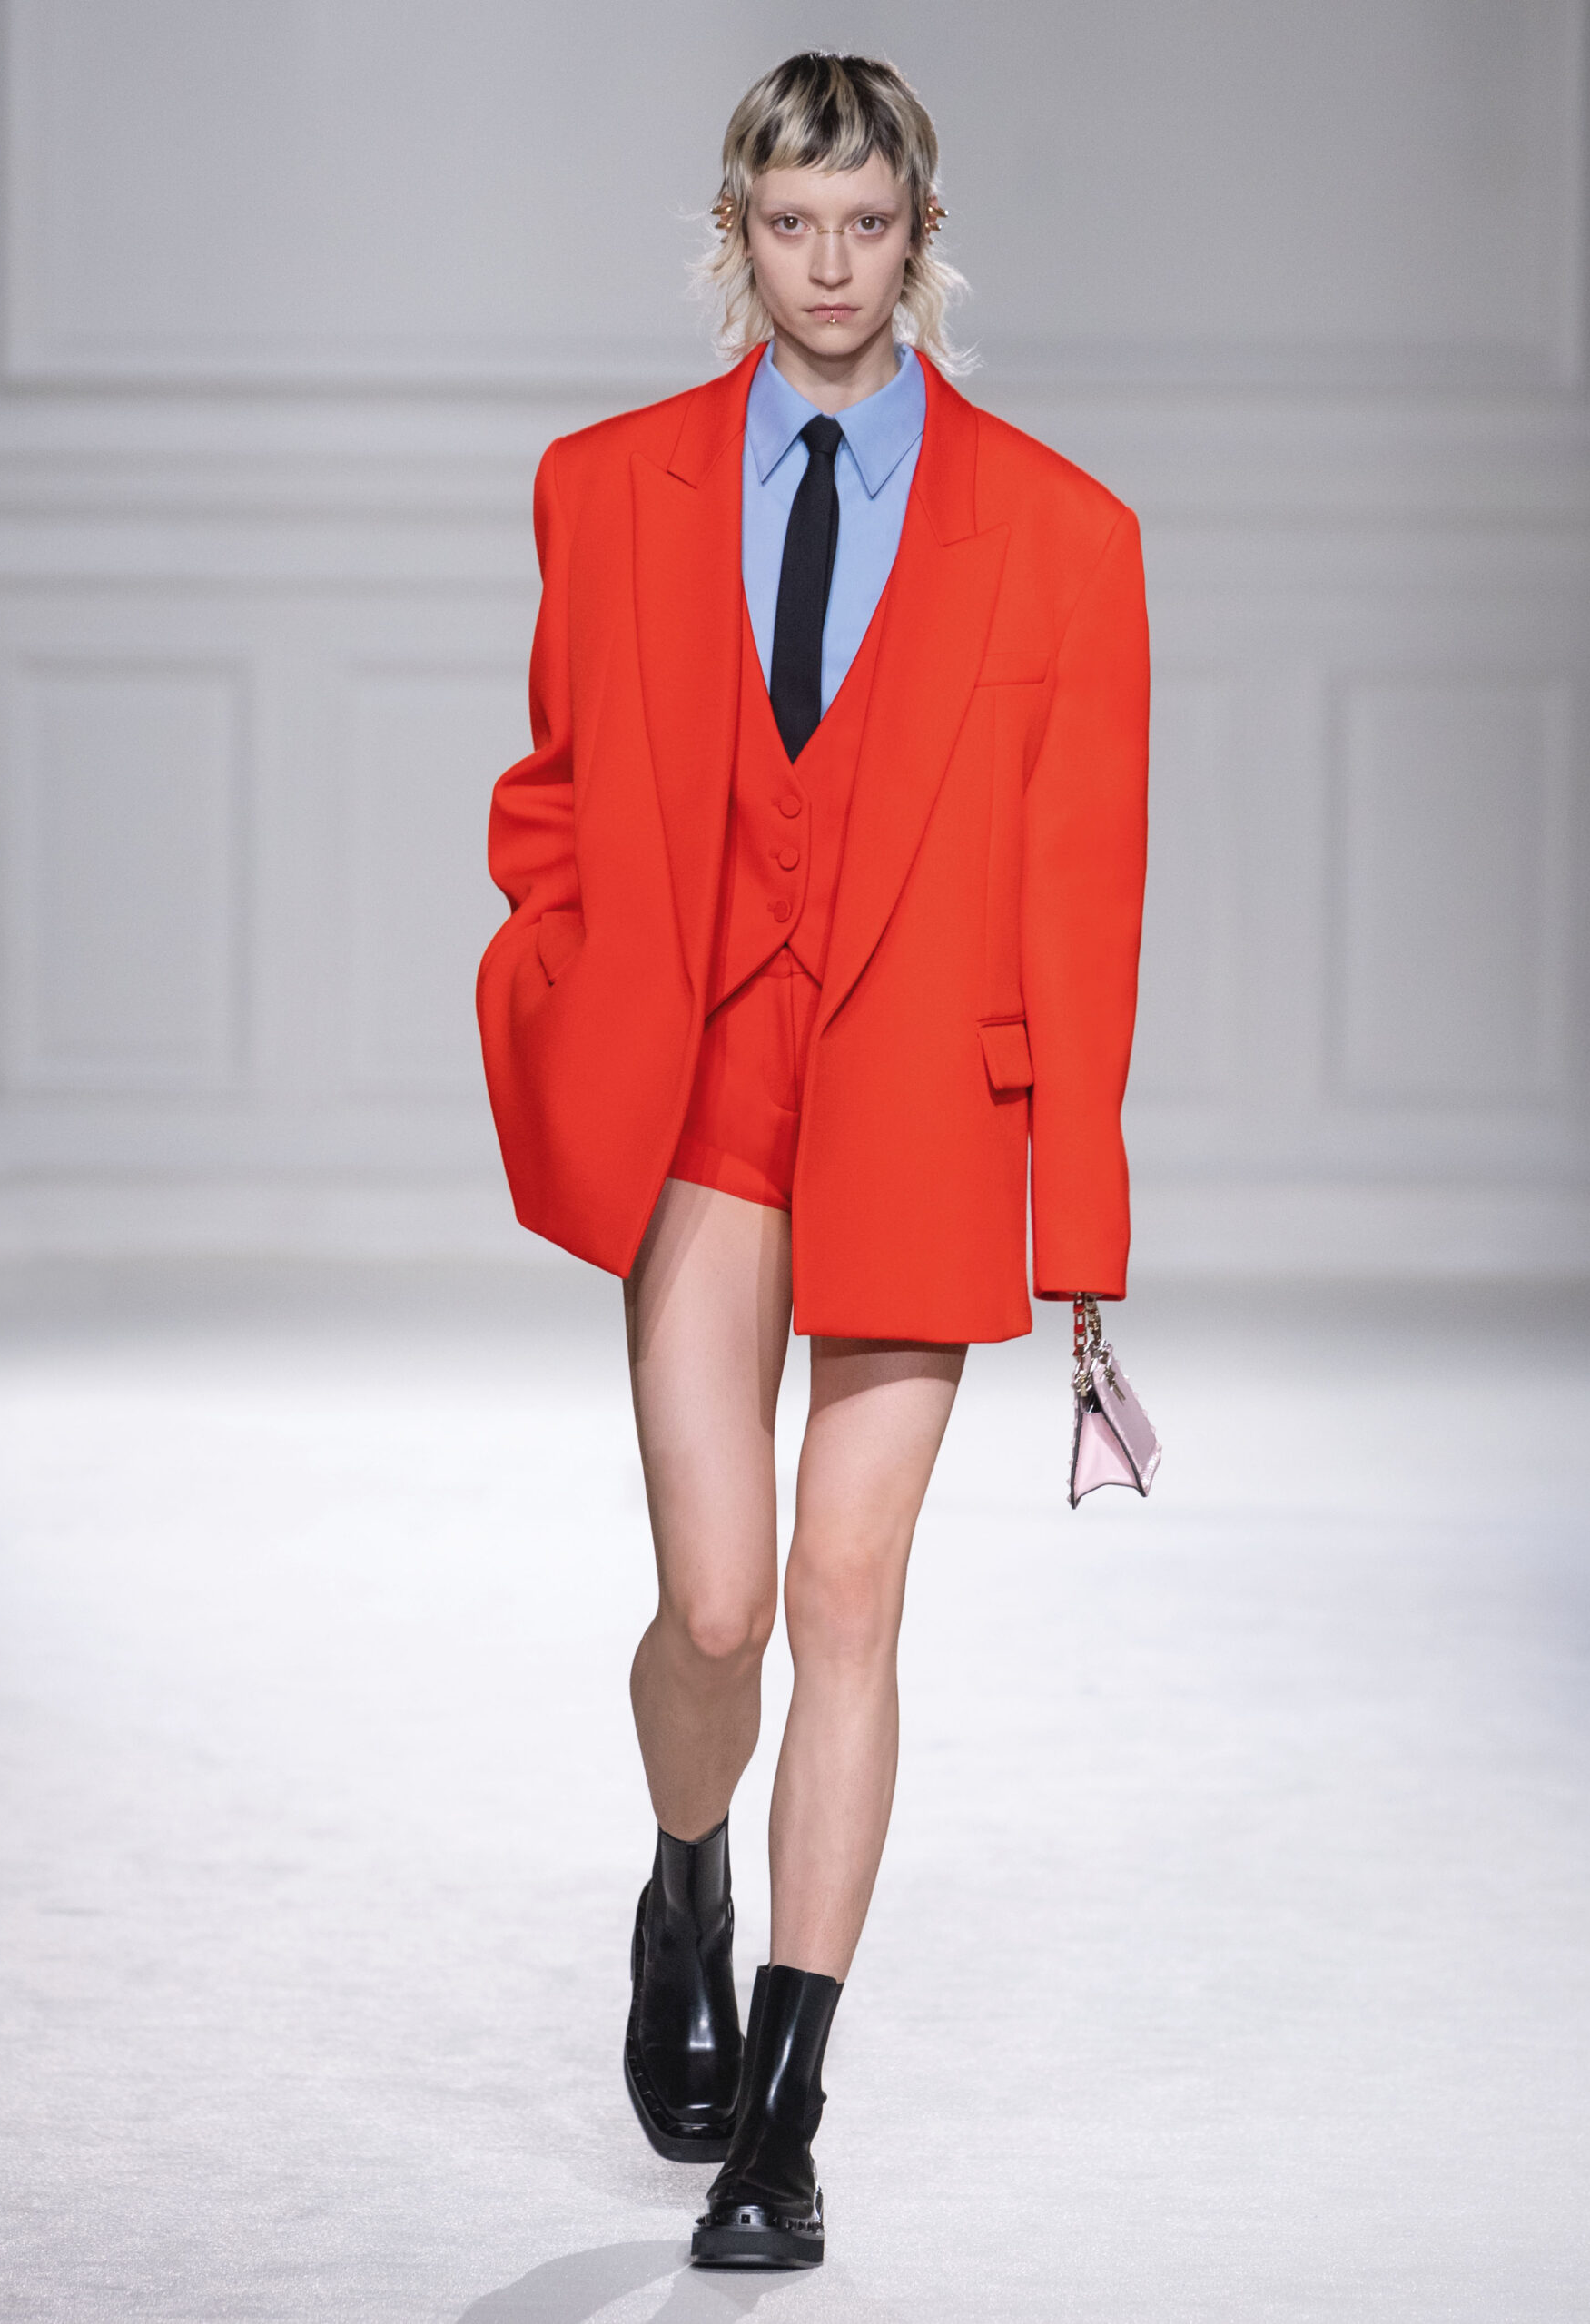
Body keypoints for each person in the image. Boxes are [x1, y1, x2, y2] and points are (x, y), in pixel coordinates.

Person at [478, 49, 1149, 2270]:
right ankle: (684, 1875)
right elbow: (554, 792)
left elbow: (1084, 897)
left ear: (919, 233)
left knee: (850, 1599)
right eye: (792, 227)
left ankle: (783, 2114)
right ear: (735, 232)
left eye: (867, 227)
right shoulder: (607, 489)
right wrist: (557, 985)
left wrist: (1080, 1218)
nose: (831, 267)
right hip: (703, 1106)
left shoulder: (1062, 535)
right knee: (720, 1603)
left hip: (921, 1110)